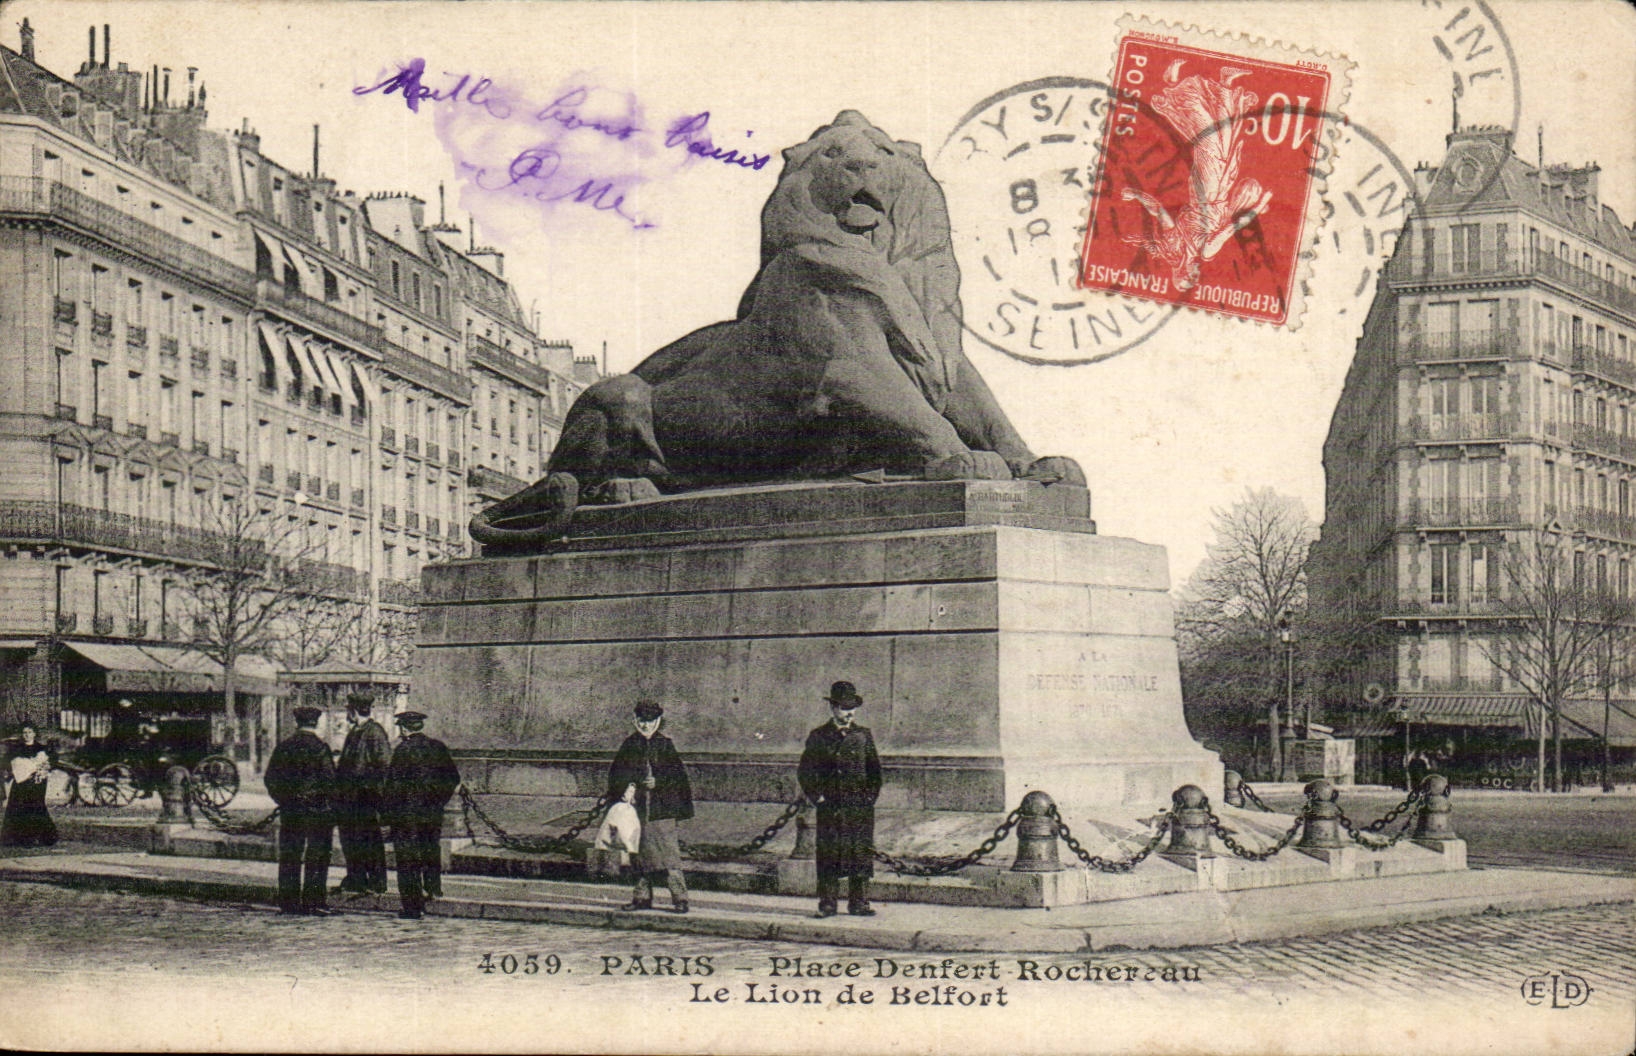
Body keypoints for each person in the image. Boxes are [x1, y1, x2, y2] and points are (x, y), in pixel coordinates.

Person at [797, 681, 882, 918]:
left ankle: (859, 903)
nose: (850, 712)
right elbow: (805, 771)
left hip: (858, 808)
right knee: (829, 856)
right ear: (833, 708)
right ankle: (828, 903)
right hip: (831, 808)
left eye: (853, 707)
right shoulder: (819, 736)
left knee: (860, 855)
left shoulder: (863, 735)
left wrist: (868, 799)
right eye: (845, 708)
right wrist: (819, 798)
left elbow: (875, 772)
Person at [606, 701, 694, 914]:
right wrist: (626, 789)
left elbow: (678, 777)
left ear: (658, 722)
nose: (645, 726)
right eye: (642, 721)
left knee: (668, 856)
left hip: (660, 811)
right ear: (635, 720)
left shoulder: (665, 745)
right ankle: (641, 897)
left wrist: (660, 782)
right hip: (637, 810)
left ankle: (680, 898)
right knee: (638, 855)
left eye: (650, 721)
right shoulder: (629, 745)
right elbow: (617, 774)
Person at [383, 710, 460, 920]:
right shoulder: (437, 747)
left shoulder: (403, 751)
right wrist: (438, 801)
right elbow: (453, 778)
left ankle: (412, 906)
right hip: (431, 812)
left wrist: (390, 815)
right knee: (430, 849)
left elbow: (393, 787)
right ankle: (433, 889)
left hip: (407, 815)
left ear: (404, 728)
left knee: (408, 860)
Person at [263, 706, 337, 916]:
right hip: (318, 811)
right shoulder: (320, 748)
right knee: (318, 856)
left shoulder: (284, 747)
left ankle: (289, 902)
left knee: (290, 855)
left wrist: (285, 800)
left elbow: (270, 779)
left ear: (297, 723)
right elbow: (330, 781)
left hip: (292, 810)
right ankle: (314, 902)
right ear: (316, 724)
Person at [334, 693, 391, 896]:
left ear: (354, 710)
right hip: (348, 799)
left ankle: (376, 882)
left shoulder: (374, 733)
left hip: (364, 799)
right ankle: (355, 878)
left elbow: (384, 767)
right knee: (350, 840)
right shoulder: (355, 732)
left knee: (369, 841)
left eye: (349, 709)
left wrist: (374, 795)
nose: (347, 713)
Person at [2, 725, 57, 849]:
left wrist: (46, 767)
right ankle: (16, 837)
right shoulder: (16, 748)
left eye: (29, 732)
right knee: (17, 806)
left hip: (36, 782)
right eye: (24, 732)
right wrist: (12, 769)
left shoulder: (41, 748)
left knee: (35, 806)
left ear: (34, 734)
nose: (27, 735)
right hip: (21, 782)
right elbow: (5, 761)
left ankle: (38, 837)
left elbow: (53, 760)